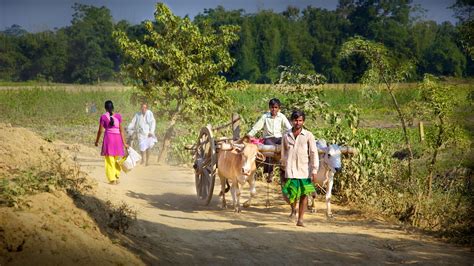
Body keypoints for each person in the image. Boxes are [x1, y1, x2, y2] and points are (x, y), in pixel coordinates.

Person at [280, 110, 318, 227]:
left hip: (304, 170)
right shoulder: (286, 135)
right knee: (289, 194)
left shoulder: (308, 135)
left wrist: (314, 170)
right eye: (296, 120)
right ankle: (293, 209)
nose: (298, 123)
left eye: (300, 120)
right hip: (290, 170)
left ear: (303, 121)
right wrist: (283, 166)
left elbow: (313, 153)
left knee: (303, 195)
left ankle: (300, 219)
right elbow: (283, 152)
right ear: (292, 121)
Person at [247, 98, 292, 183]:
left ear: (279, 108)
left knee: (287, 144)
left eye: (276, 107)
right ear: (269, 108)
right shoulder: (265, 116)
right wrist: (248, 136)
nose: (274, 109)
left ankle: (286, 167)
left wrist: (294, 136)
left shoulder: (281, 116)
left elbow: (289, 128)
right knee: (268, 147)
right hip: (268, 138)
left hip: (279, 138)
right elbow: (256, 128)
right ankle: (269, 172)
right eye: (272, 107)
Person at [95, 100, 129, 185]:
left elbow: (100, 130)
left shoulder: (103, 117)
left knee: (109, 160)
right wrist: (124, 143)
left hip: (109, 139)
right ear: (113, 107)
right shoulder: (118, 116)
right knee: (117, 159)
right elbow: (121, 130)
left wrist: (97, 141)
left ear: (105, 108)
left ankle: (112, 179)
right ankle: (117, 177)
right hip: (118, 140)